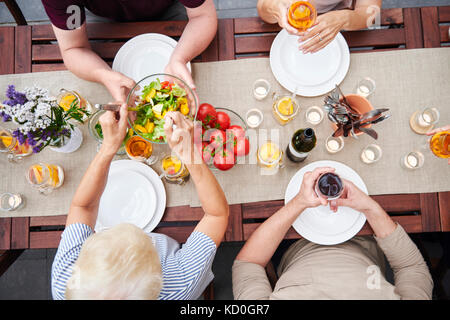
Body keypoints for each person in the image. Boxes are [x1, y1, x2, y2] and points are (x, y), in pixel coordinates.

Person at [51, 107, 229, 299]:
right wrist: (189, 154)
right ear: (157, 279)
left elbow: (83, 207)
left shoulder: (67, 280)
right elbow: (216, 215)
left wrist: (108, 147)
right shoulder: (178, 285)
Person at [232, 167, 433, 300]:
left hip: (291, 244)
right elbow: (411, 267)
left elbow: (248, 264)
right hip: (368, 235)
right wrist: (370, 208)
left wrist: (299, 202)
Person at [40, 0, 217, 101]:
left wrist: (179, 58)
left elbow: (202, 16)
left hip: (171, 9)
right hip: (104, 19)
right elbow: (73, 48)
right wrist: (103, 75)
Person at [257, 0, 382, 53]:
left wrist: (345, 18)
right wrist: (273, 7)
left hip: (333, 21)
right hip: (284, 29)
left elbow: (371, 12)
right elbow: (263, 8)